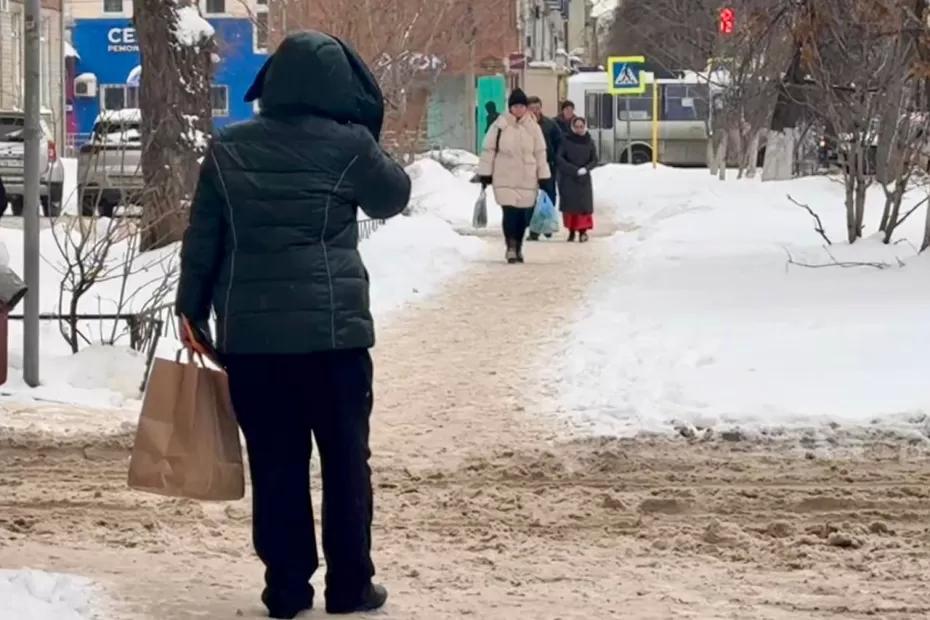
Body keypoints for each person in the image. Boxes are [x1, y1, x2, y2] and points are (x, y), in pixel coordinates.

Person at [175, 31, 411, 619]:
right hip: (335, 341)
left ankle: (286, 589)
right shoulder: (350, 146)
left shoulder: (229, 149)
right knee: (345, 461)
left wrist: (190, 308)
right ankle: (351, 585)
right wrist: (367, 132)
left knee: (276, 465)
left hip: (254, 344)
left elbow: (203, 236)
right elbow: (393, 198)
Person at [478, 88, 550, 264]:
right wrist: (485, 174)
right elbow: (488, 150)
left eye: (521, 106)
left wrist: (544, 176)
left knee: (523, 216)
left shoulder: (533, 128)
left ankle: (518, 246)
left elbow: (540, 153)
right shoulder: (500, 125)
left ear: (526, 108)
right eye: (515, 106)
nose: (518, 109)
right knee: (509, 213)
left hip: (527, 177)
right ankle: (510, 247)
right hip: (505, 176)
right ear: (510, 108)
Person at [526, 96, 562, 241]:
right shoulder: (522, 125)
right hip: (528, 166)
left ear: (541, 108)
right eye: (532, 108)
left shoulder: (550, 124)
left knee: (549, 196)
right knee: (530, 198)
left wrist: (555, 159)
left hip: (547, 165)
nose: (535, 111)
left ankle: (547, 225)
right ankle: (534, 230)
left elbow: (560, 143)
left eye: (537, 108)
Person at [557, 117, 598, 243]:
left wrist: (586, 168)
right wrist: (573, 170)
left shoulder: (589, 141)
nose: (579, 129)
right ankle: (571, 231)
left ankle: (583, 232)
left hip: (584, 179)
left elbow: (594, 159)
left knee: (583, 207)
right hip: (569, 179)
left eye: (581, 126)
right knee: (571, 207)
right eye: (577, 127)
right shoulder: (566, 140)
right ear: (573, 127)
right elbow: (559, 158)